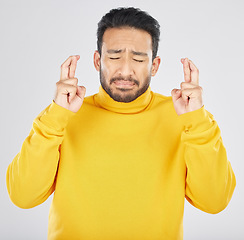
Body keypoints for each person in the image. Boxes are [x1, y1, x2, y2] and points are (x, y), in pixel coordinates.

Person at [6, 7, 236, 240]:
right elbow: (23, 196)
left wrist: (196, 121)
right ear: (97, 60)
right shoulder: (62, 116)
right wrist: (56, 116)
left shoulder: (186, 118)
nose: (125, 70)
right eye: (114, 57)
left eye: (138, 58)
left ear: (154, 66)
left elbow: (214, 201)